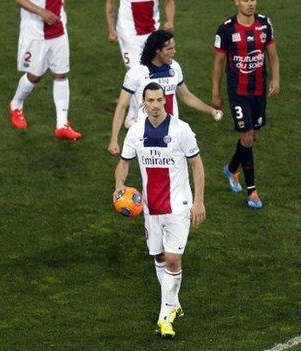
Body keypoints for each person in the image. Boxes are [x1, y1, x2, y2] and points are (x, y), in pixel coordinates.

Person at [113, 83, 205, 337]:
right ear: (143, 103)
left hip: (178, 207)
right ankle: (173, 304)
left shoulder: (180, 130)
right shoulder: (135, 132)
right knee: (159, 258)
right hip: (150, 208)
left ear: (165, 101)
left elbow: (197, 165)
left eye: (158, 100)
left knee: (173, 258)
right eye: (150, 100)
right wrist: (119, 185)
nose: (155, 105)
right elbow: (124, 164)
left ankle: (165, 317)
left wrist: (198, 202)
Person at [108, 30, 222, 155]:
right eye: (169, 49)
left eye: (174, 48)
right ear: (157, 50)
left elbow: (185, 95)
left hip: (173, 132)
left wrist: (210, 110)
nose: (174, 52)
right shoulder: (137, 73)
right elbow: (122, 106)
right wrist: (114, 139)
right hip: (147, 136)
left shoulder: (174, 67)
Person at [212, 0, 280, 209]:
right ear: (236, 2)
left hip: (259, 91)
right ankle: (252, 192)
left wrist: (276, 79)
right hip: (238, 92)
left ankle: (231, 168)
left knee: (253, 136)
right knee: (247, 137)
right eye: (245, 0)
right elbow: (218, 63)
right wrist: (215, 92)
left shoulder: (264, 24)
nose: (250, 4)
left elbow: (273, 55)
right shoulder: (225, 29)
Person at [8, 0, 82, 140]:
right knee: (35, 76)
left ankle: (62, 125)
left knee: (61, 74)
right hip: (35, 33)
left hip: (59, 30)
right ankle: (16, 104)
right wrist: (42, 12)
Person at [105, 0, 176, 69]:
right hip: (128, 34)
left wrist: (170, 21)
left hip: (152, 33)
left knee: (156, 68)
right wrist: (111, 30)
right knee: (135, 70)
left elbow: (169, 1)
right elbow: (110, 3)